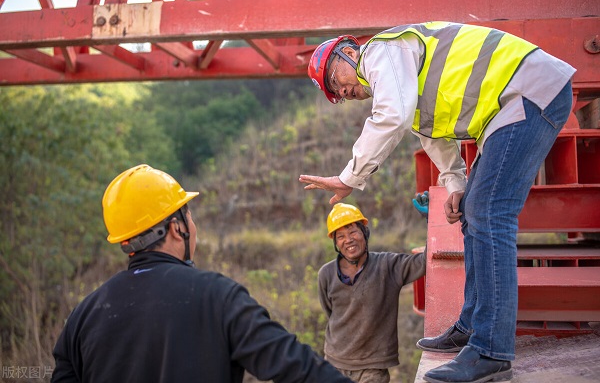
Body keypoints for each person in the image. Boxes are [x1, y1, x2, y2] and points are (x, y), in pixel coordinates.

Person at [301, 21, 575, 383]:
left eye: (335, 81)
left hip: (528, 90)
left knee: (490, 215)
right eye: (335, 93)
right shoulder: (407, 88)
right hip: (509, 106)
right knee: (472, 210)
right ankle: (472, 324)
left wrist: (350, 177)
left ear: (349, 53)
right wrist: (456, 184)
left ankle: (491, 350)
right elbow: (434, 136)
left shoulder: (383, 50)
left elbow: (391, 117)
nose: (341, 92)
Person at [52, 164, 353, 383]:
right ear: (176, 227)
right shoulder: (217, 297)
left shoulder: (83, 316)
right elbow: (297, 367)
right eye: (189, 215)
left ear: (126, 240)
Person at [318, 203, 426, 383]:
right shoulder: (326, 274)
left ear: (364, 233)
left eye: (353, 232)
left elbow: (424, 261)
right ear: (336, 243)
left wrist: (433, 220)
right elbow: (330, 312)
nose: (348, 240)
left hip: (372, 368)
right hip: (334, 363)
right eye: (341, 236)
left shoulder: (388, 266)